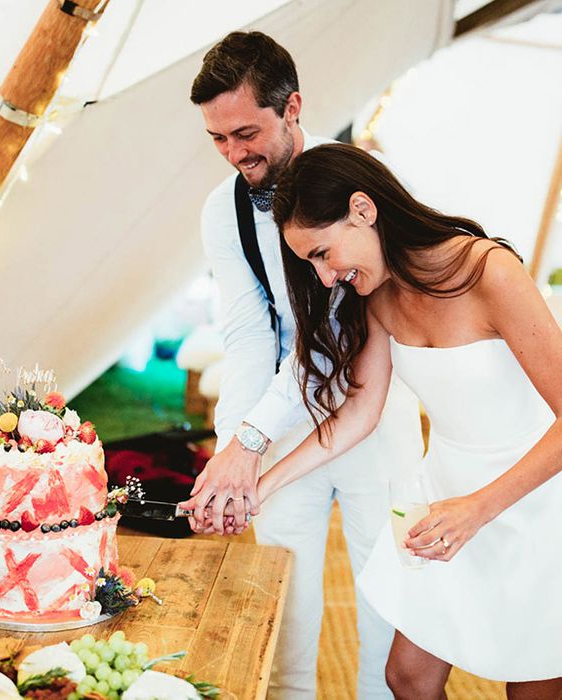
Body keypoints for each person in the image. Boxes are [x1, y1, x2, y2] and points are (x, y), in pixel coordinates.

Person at [257, 142, 562, 699]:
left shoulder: (489, 271)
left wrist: (477, 509)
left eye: (323, 253)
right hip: (443, 495)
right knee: (408, 678)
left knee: (532, 689)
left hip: (534, 502)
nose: (325, 278)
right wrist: (262, 485)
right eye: (312, 264)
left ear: (363, 210)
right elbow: (358, 413)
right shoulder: (379, 298)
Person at [179, 32, 423, 699]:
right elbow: (249, 335)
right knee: (284, 611)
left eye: (247, 132)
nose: (235, 154)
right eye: (218, 139)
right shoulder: (221, 210)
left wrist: (252, 439)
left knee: (386, 614)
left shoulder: (357, 181)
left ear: (293, 108)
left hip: (377, 413)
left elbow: (335, 333)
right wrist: (235, 447)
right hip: (284, 423)